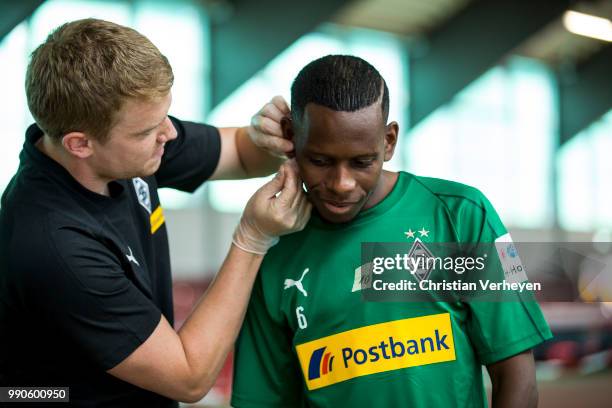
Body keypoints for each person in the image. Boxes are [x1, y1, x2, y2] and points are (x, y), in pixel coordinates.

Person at [0, 18, 311, 406]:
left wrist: (270, 134)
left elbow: (241, 153)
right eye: (147, 130)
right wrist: (252, 238)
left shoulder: (130, 140)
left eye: (165, 116)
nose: (170, 133)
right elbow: (190, 376)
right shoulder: (53, 244)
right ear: (80, 144)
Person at [231, 55, 553, 407]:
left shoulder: (465, 215)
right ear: (292, 138)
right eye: (320, 161)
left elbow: (518, 377)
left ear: (389, 141)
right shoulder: (272, 251)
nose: (342, 184)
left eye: (361, 162)